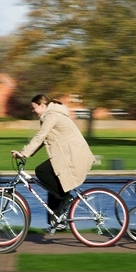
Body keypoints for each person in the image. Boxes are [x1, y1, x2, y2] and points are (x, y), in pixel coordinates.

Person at [11, 95, 95, 229]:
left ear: (42, 106)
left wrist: (24, 153)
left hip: (73, 156)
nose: (33, 111)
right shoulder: (51, 115)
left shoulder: (52, 115)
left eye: (34, 108)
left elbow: (40, 136)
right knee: (52, 186)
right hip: (67, 155)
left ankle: (65, 199)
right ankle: (57, 222)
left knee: (42, 171)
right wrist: (25, 153)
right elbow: (42, 140)